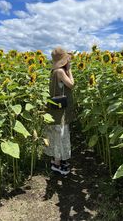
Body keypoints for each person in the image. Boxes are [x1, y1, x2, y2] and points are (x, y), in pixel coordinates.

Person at [44, 47, 74, 175]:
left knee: (57, 134)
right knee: (60, 135)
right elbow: (71, 84)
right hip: (60, 111)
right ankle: (57, 165)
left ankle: (57, 160)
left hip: (54, 108)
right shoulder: (61, 72)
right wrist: (70, 71)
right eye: (67, 59)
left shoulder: (53, 72)